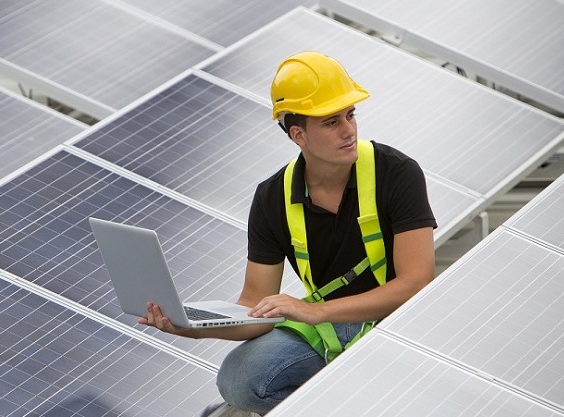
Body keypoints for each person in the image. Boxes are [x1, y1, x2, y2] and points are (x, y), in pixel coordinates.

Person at [139, 51, 437, 415]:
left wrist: (318, 311)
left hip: (401, 324)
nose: (349, 130)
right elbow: (254, 303)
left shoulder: (397, 173)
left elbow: (416, 283)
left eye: (350, 114)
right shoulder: (272, 197)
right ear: (298, 134)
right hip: (332, 327)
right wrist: (193, 329)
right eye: (331, 122)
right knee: (238, 380)